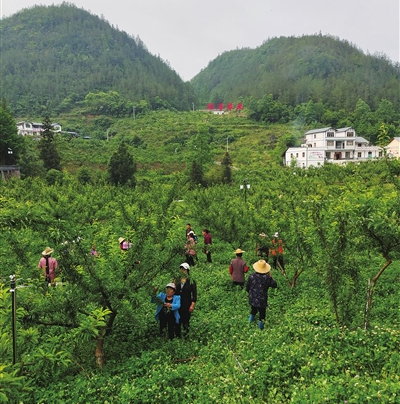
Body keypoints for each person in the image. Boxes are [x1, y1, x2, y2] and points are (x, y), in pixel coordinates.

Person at [246, 259, 277, 330]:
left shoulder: (251, 276)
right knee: (262, 314)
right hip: (262, 299)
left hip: (252, 297)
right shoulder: (267, 278)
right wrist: (270, 276)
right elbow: (274, 285)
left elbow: (247, 288)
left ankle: (249, 324)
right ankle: (260, 329)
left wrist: (251, 294)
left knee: (253, 310)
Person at [175, 263, 197, 337]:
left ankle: (186, 335)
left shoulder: (191, 281)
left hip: (186, 303)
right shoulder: (177, 280)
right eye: (181, 269)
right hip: (177, 303)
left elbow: (194, 294)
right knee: (177, 319)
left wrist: (192, 305)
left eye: (184, 269)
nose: (182, 271)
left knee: (186, 320)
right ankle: (178, 335)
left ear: (187, 270)